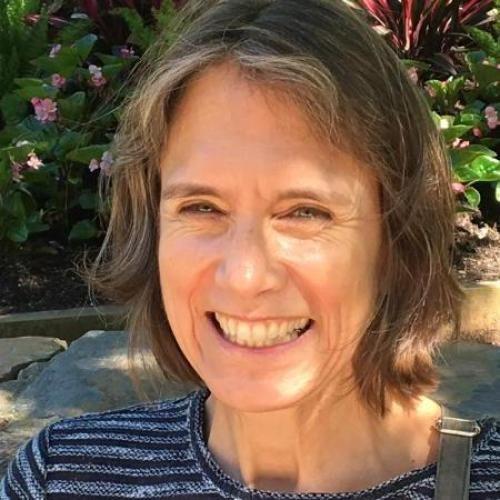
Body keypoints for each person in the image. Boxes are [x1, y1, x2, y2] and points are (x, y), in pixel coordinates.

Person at [1, 0, 499, 498]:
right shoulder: (63, 478)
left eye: (305, 212)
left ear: (395, 241)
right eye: (202, 208)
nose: (244, 275)